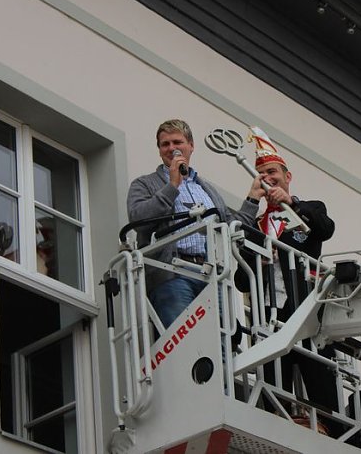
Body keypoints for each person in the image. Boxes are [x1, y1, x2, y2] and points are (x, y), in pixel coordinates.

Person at [240, 127, 339, 431]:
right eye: (262, 174)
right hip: (270, 310)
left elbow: (326, 228)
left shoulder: (309, 208)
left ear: (287, 176)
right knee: (273, 380)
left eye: (272, 171)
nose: (268, 177)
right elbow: (242, 279)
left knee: (318, 371)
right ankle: (277, 425)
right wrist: (250, 201)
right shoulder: (256, 222)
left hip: (304, 303)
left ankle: (332, 428)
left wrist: (293, 205)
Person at [127, 119, 259, 330]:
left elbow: (229, 228)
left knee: (220, 345)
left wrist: (252, 200)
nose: (172, 148)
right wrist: (172, 185)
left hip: (211, 275)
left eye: (177, 142)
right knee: (184, 343)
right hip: (172, 273)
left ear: (191, 146)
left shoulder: (207, 189)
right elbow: (138, 220)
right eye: (165, 144)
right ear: (159, 150)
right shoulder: (145, 184)